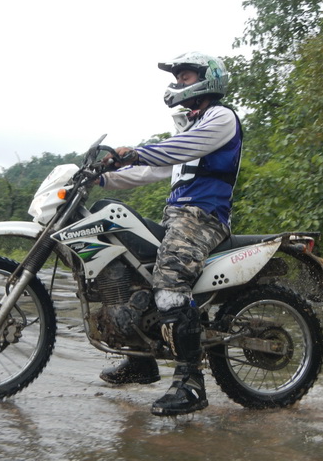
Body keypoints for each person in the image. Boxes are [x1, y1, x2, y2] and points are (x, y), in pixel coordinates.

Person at [97, 52, 243, 416]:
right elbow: (151, 171)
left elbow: (172, 151)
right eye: (177, 78)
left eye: (185, 76)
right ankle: (141, 361)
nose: (177, 83)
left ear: (208, 79)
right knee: (122, 255)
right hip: (177, 218)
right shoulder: (189, 129)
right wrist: (100, 179)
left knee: (169, 282)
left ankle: (191, 384)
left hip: (204, 217)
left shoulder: (220, 117)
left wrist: (135, 153)